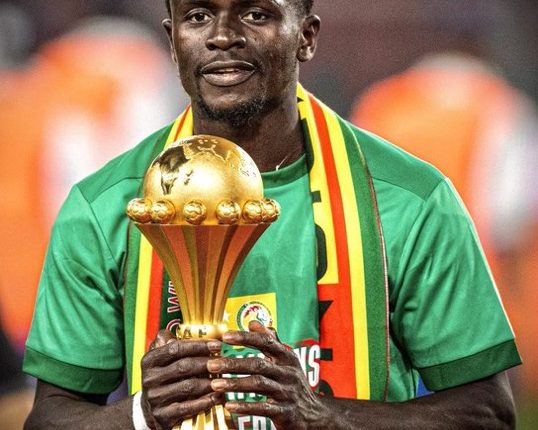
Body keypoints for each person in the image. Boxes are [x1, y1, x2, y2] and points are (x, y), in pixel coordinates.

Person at [23, 1, 521, 429]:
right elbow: (51, 417)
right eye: (198, 16)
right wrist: (141, 414)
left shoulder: (411, 200)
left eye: (256, 14)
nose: (222, 36)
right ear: (172, 41)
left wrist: (327, 417)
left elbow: (489, 412)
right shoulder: (105, 208)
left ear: (306, 37)